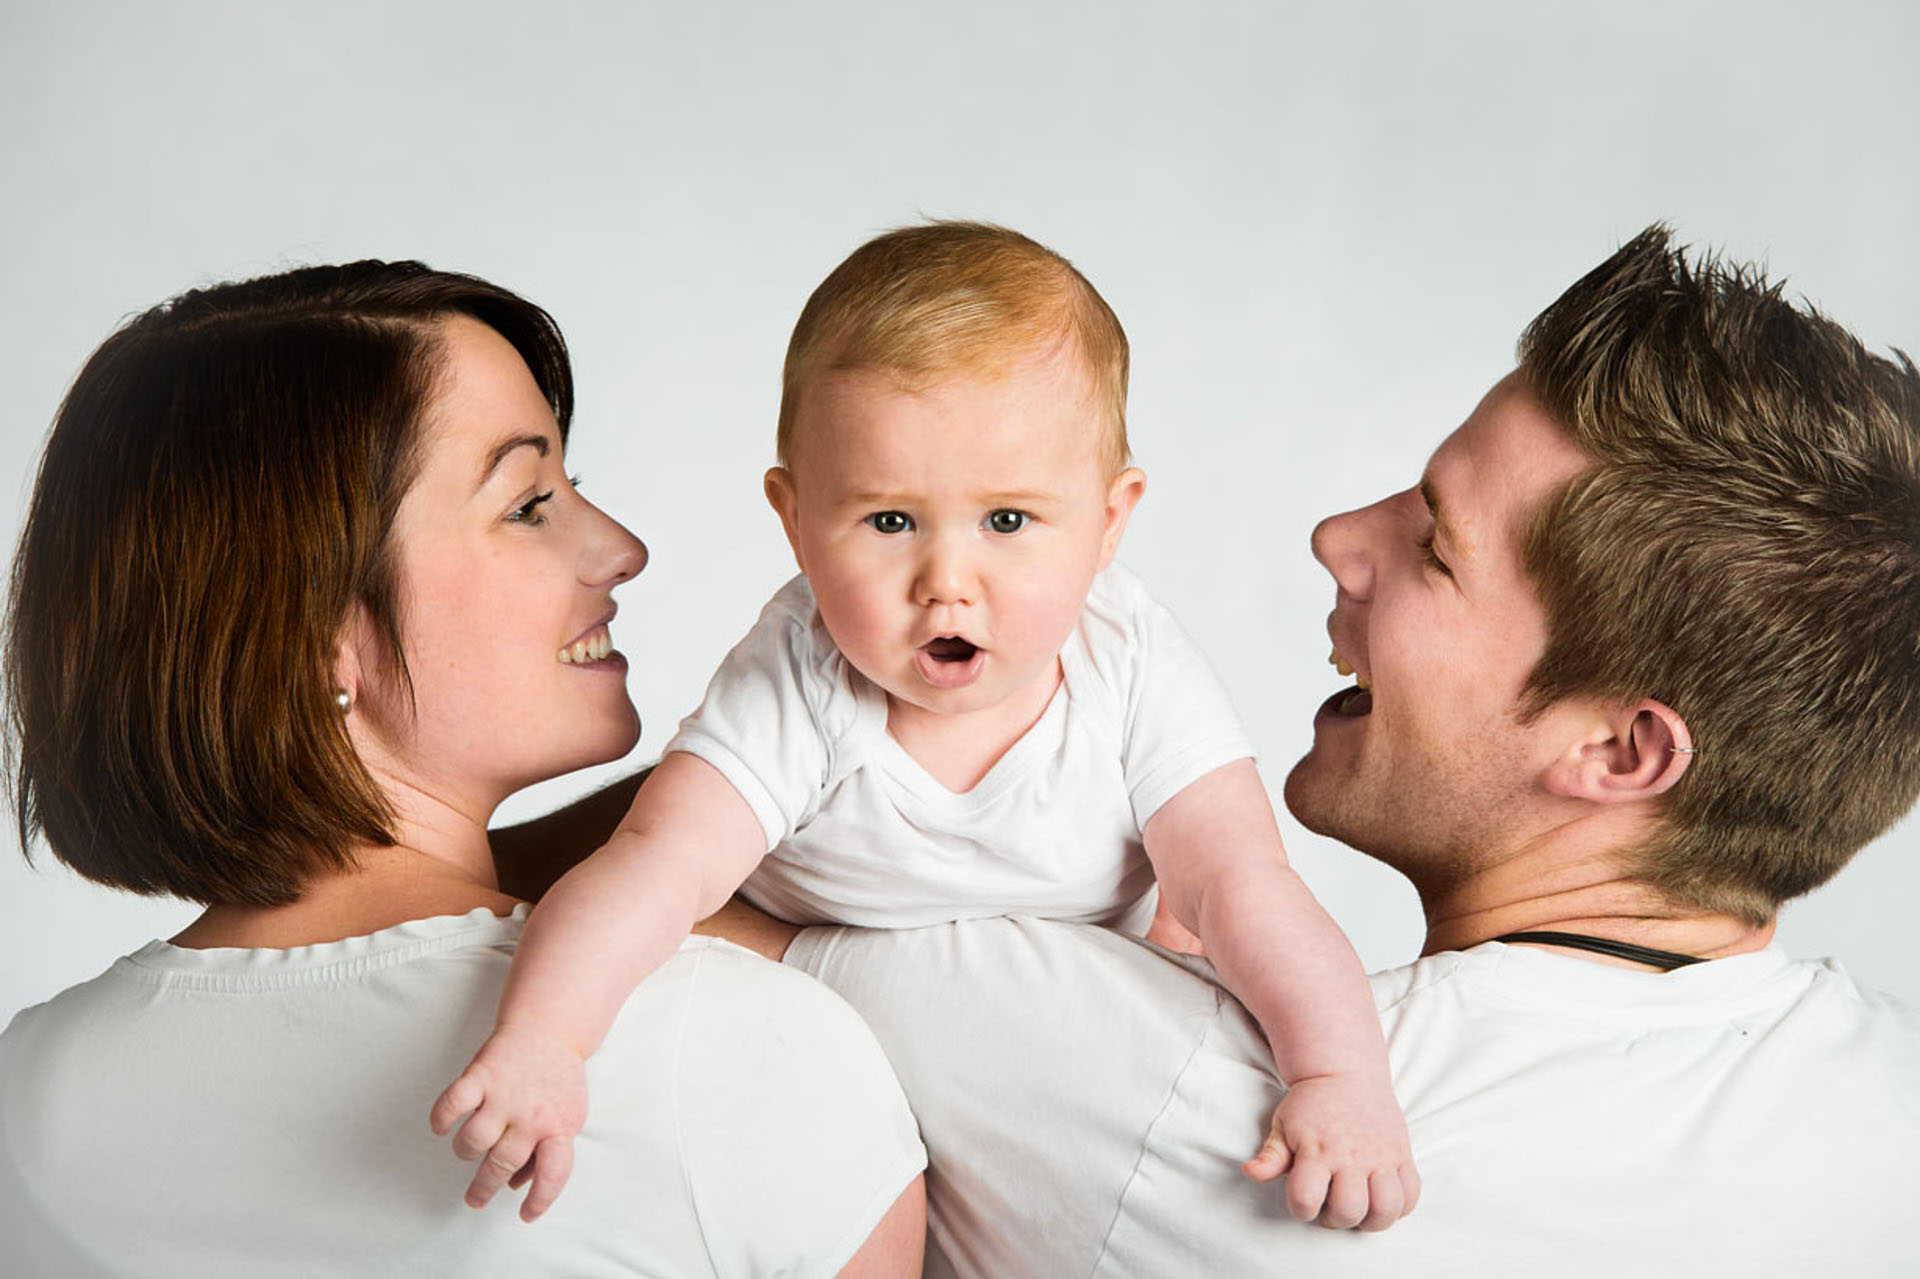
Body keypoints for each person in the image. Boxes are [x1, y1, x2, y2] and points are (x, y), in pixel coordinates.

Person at [711, 226, 1920, 1275]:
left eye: (1436, 548)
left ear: (1618, 750)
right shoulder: (1892, 1107)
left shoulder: (1189, 1093)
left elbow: (675, 905)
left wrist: (814, 702)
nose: (1338, 535)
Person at [435, 222, 1417, 1231]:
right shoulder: (802, 675)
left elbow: (1242, 884)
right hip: (822, 1062)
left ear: (1109, 521)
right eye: (890, 521)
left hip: (1032, 1072)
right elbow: (653, 867)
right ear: (796, 519)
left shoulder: (1130, 662)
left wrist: (1340, 1072)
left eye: (1008, 521)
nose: (948, 582)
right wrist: (546, 1040)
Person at [0, 262, 926, 1277]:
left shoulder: (29, 1101)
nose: (622, 547)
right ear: (319, 637)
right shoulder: (735, 1049)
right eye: (529, 503)